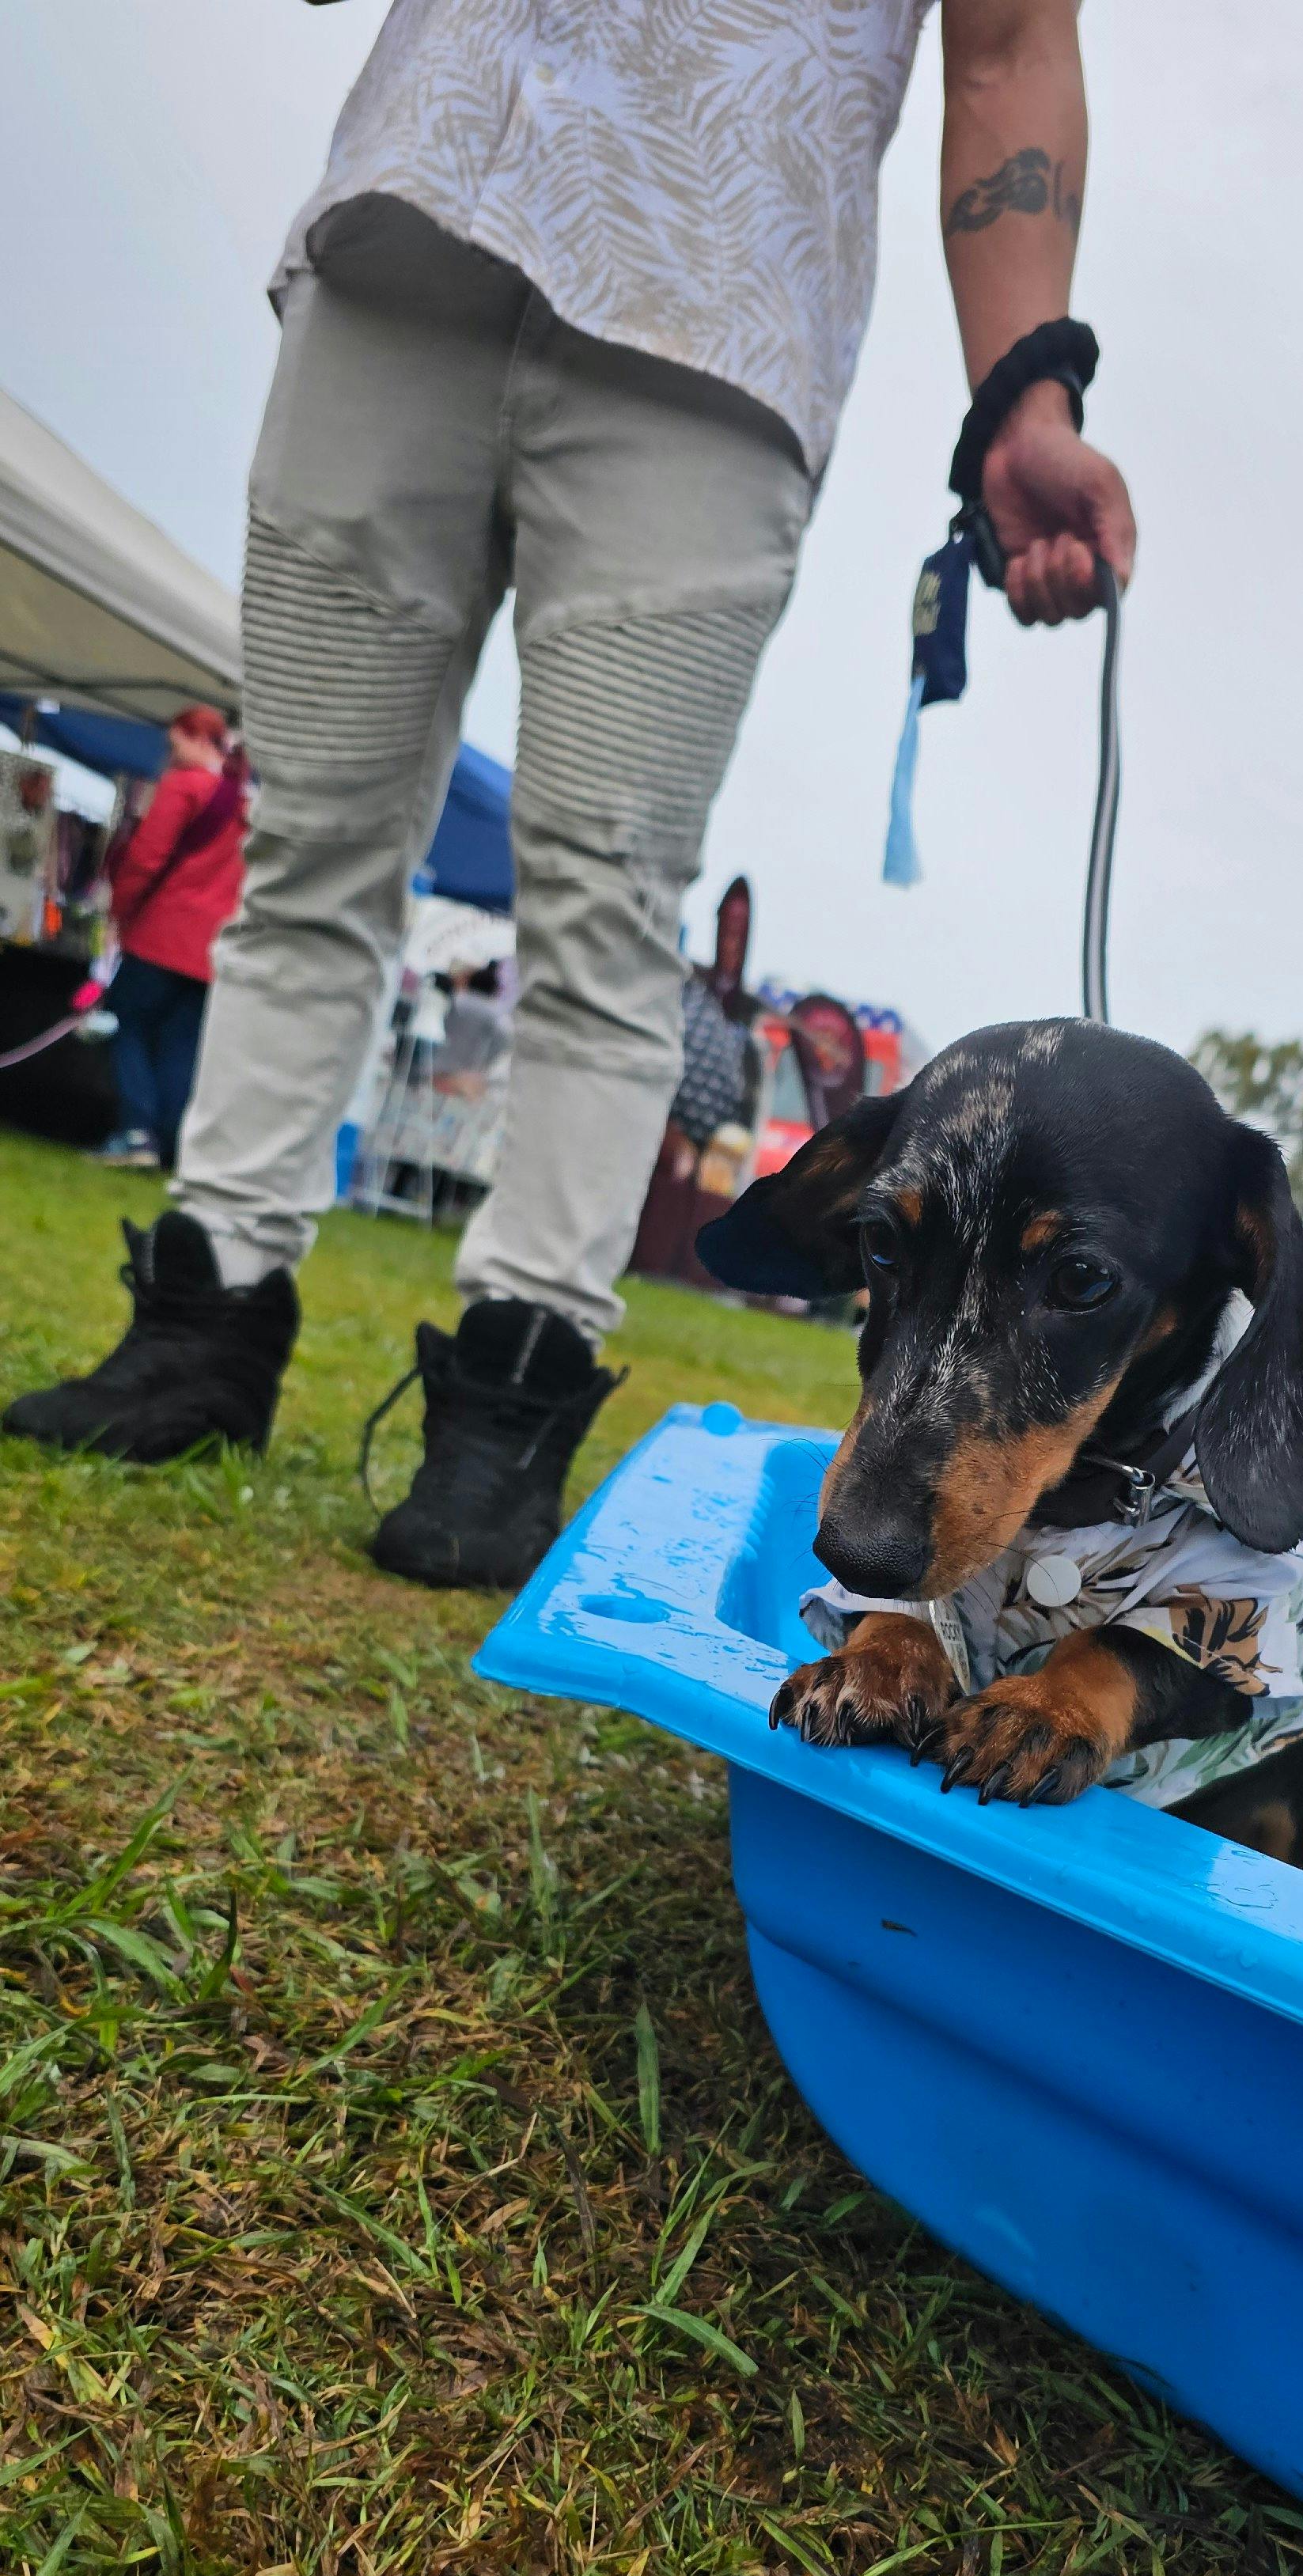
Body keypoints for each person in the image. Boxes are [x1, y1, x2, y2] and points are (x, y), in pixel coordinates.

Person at [5, 0, 1136, 1576]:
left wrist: (1026, 388)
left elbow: (1005, 42)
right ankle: (205, 1316)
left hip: (722, 299)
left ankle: (513, 1389)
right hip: (417, 211)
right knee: (308, 834)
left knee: (605, 900)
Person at [96, 709, 248, 1172]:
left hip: (162, 935)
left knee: (128, 1024)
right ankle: (169, 1144)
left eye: (174, 743)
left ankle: (136, 1133)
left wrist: (120, 912)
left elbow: (146, 857)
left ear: (198, 739)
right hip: (212, 949)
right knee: (181, 1047)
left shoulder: (184, 786)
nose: (170, 755)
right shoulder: (246, 803)